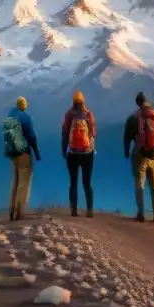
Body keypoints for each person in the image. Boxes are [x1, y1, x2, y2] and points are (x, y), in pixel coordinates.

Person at [123, 91, 154, 223]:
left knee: (139, 184)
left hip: (139, 155)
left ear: (137, 102)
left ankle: (141, 214)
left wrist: (126, 151)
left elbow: (127, 138)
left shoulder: (133, 118)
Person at [3, 96, 41, 221]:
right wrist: (36, 153)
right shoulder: (25, 117)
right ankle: (20, 212)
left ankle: (11, 210)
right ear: (24, 106)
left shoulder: (10, 115)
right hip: (24, 153)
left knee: (15, 181)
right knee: (24, 183)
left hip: (12, 153)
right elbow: (32, 137)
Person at [61, 89, 97, 217]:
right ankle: (89, 210)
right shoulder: (89, 114)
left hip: (73, 153)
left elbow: (65, 134)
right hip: (88, 154)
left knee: (73, 182)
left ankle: (74, 210)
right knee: (87, 183)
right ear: (83, 101)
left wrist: (63, 150)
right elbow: (93, 133)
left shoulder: (69, 114)